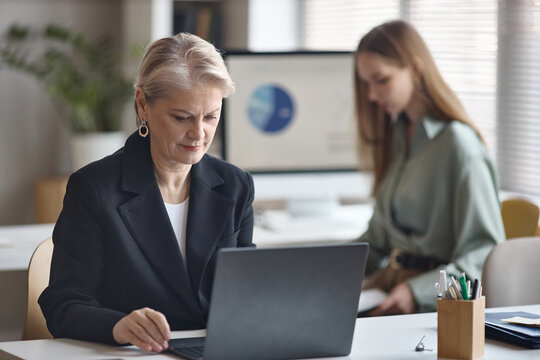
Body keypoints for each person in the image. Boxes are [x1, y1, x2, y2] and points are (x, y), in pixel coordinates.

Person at [39, 33, 255, 353]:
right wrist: (118, 325)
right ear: (143, 103)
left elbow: (246, 292)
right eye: (182, 118)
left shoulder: (236, 186)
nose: (199, 133)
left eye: (211, 116)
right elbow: (63, 303)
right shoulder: (96, 189)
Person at [354, 20, 504, 315]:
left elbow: (483, 255)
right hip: (387, 288)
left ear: (416, 70)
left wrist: (415, 292)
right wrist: (321, 267)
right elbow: (377, 240)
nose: (371, 95)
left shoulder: (459, 146)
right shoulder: (398, 137)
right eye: (366, 84)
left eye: (381, 80)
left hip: (435, 307)